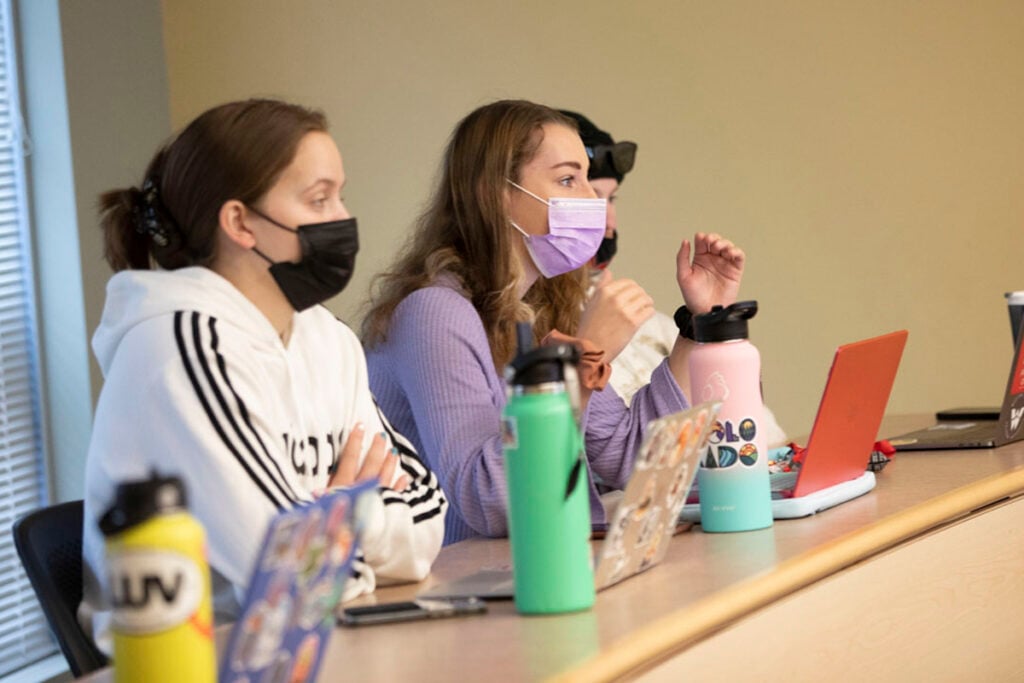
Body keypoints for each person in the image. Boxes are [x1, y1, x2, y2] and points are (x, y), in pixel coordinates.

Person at [80, 98, 447, 650]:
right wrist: (349, 520)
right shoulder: (181, 349)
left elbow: (428, 524)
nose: (342, 219)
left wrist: (335, 514)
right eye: (319, 199)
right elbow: (296, 577)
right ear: (239, 222)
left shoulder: (327, 338)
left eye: (340, 195)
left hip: (321, 645)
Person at [362, 99, 746, 544]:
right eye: (568, 180)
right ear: (496, 193)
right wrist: (582, 358)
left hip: (546, 568)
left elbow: (634, 459)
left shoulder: (541, 305)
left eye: (589, 181)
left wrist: (698, 323)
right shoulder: (434, 313)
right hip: (470, 589)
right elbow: (492, 500)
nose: (592, 203)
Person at [558, 109, 788, 446]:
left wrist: (706, 321)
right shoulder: (541, 333)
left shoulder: (656, 325)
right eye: (591, 198)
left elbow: (766, 440)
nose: (609, 222)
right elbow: (625, 464)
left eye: (611, 199)